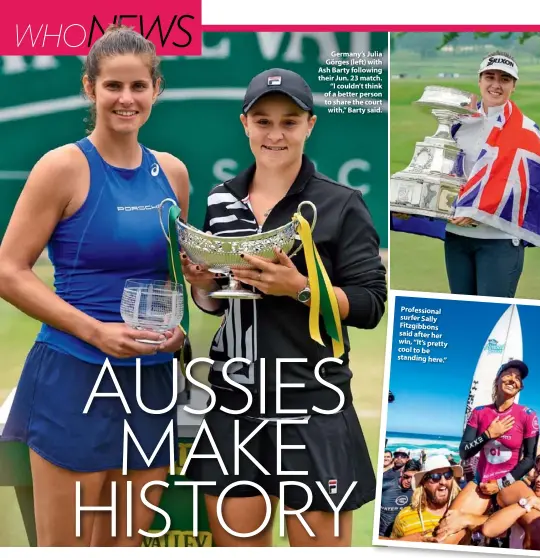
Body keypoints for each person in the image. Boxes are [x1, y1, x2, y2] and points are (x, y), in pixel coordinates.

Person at [181, 68, 387, 547]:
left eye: (289, 122)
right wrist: (204, 284)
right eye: (263, 120)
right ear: (245, 124)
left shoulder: (342, 203)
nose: (275, 134)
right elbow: (218, 305)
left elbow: (370, 304)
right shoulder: (221, 201)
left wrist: (299, 287)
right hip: (234, 403)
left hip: (312, 403)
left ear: (310, 125)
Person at [0, 26, 188, 546]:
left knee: (122, 549)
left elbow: (172, 277)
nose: (126, 99)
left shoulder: (172, 174)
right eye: (113, 86)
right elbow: (8, 271)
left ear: (156, 89)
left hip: (150, 385)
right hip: (74, 378)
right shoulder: (61, 167)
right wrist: (95, 332)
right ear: (90, 88)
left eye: (138, 87)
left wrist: (175, 331)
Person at [443, 51, 524, 297]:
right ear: (479, 81)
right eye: (490, 76)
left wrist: (479, 209)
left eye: (504, 79)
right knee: (463, 319)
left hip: (499, 238)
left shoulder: (526, 130)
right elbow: (446, 174)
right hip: (457, 236)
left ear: (513, 86)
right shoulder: (459, 124)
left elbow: (524, 186)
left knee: (491, 323)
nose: (496, 84)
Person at [442, 360, 540, 549]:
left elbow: (530, 459)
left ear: (520, 387)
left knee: (538, 526)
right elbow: (464, 451)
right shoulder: (480, 412)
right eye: (509, 374)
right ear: (497, 380)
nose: (513, 379)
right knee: (446, 528)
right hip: (480, 481)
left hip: (509, 481)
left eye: (518, 378)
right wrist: (488, 435)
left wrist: (499, 484)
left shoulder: (528, 415)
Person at [389, 455, 463, 542]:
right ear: (424, 482)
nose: (443, 482)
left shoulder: (462, 511)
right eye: (435, 477)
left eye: (448, 475)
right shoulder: (404, 517)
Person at [378, 459, 418, 537]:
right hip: (382, 535)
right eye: (406, 477)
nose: (409, 481)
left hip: (403, 535)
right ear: (401, 472)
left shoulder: (418, 489)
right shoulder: (384, 484)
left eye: (413, 478)